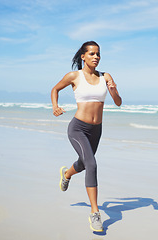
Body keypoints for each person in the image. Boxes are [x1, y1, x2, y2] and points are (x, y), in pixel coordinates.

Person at [51, 41, 122, 232]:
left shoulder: (105, 76)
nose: (96, 57)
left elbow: (118, 102)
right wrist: (55, 107)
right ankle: (95, 213)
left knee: (83, 164)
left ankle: (66, 174)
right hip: (78, 128)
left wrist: (113, 90)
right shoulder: (74, 76)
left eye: (98, 54)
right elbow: (55, 89)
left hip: (96, 130)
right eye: (91, 54)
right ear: (83, 56)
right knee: (91, 164)